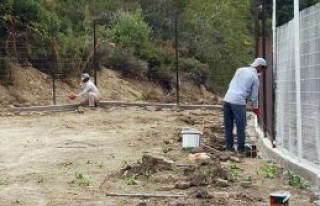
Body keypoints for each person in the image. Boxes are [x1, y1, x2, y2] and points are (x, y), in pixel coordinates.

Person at [223, 57, 267, 156]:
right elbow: (254, 96)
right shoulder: (255, 78)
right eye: (263, 69)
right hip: (238, 102)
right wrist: (256, 108)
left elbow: (231, 84)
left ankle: (229, 149)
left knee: (228, 126)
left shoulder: (240, 70)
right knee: (240, 127)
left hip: (227, 99)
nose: (262, 71)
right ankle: (241, 151)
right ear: (259, 66)